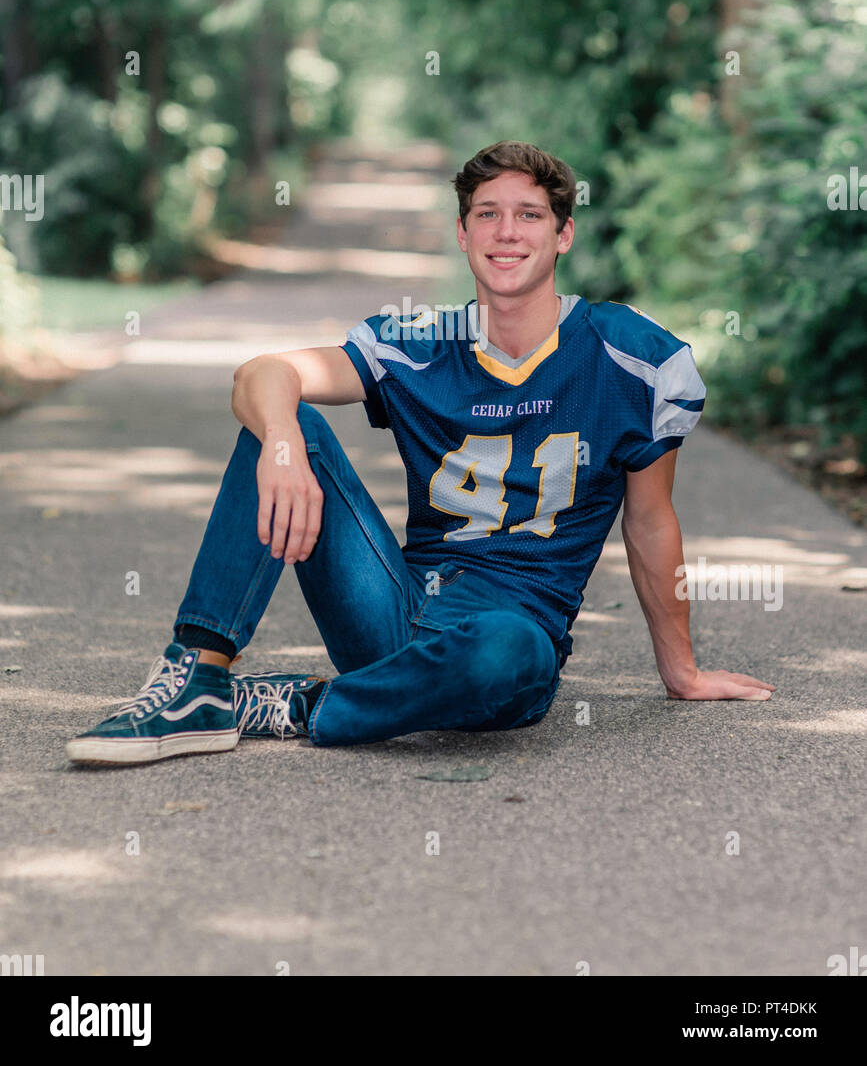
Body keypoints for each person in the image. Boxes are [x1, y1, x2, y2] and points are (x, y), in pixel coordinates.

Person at [67, 141, 774, 765]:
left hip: (509, 633)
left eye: (528, 214)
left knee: (509, 650)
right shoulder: (419, 339)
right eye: (486, 214)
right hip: (393, 609)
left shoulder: (631, 356)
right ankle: (197, 678)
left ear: (563, 235)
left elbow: (649, 522)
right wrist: (281, 443)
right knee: (286, 423)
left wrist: (679, 671)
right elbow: (265, 372)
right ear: (462, 235)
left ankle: (300, 707)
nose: (506, 231)